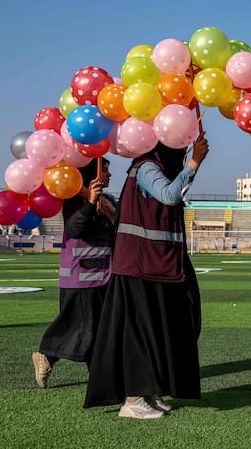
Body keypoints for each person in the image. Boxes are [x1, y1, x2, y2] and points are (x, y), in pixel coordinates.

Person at [84, 134, 208, 419]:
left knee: (158, 332)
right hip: (140, 266)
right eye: (179, 144)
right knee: (139, 333)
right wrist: (195, 162)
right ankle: (132, 399)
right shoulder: (146, 167)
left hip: (159, 265)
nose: (182, 150)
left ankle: (150, 390)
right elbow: (169, 195)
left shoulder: (156, 167)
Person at [33, 159, 116, 388]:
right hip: (81, 276)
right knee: (80, 326)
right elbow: (74, 228)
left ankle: (101, 376)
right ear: (94, 173)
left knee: (98, 328)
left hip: (103, 274)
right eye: (106, 170)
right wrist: (89, 202)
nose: (110, 175)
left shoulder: (108, 200)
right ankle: (46, 354)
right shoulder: (73, 199)